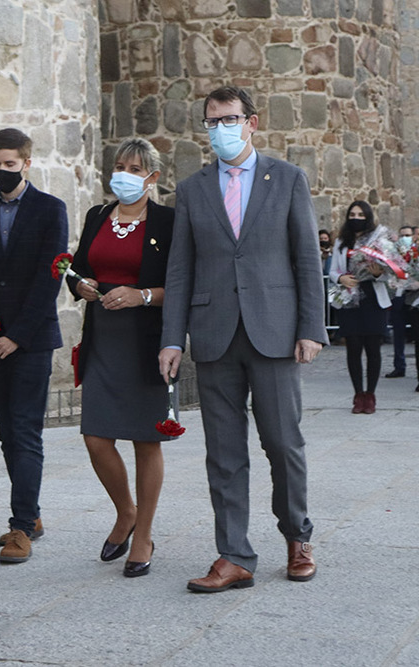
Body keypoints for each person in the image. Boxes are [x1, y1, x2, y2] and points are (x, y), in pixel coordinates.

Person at [159, 86, 327, 593]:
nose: (219, 130)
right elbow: (181, 269)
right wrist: (172, 338)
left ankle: (297, 537)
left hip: (275, 331)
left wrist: (311, 328)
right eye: (211, 122)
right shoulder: (192, 190)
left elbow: (306, 258)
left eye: (228, 120)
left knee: (283, 443)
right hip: (214, 335)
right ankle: (233, 555)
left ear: (251, 122)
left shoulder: (288, 179)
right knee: (224, 452)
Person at [67, 138, 174, 578]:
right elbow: (75, 269)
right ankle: (125, 511)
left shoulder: (169, 222)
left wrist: (142, 295)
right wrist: (81, 286)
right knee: (96, 436)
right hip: (103, 337)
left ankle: (143, 534)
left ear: (152, 176)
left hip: (146, 339)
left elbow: (183, 285)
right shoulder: (97, 215)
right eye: (120, 166)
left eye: (135, 168)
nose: (124, 174)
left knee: (145, 440)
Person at [0, 128, 68, 564]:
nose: (1, 171)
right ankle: (33, 514)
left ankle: (20, 526)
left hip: (31, 340)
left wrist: (16, 335)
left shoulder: (50, 210)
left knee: (25, 431)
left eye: (10, 164)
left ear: (27, 162)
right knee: (7, 432)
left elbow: (51, 278)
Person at [329, 202, 394, 412]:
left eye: (360, 214)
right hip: (350, 296)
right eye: (352, 214)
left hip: (373, 298)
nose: (356, 217)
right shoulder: (342, 241)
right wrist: (341, 278)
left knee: (373, 348)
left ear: (367, 216)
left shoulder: (379, 239)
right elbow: (333, 270)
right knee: (354, 348)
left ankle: (371, 395)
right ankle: (358, 394)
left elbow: (388, 270)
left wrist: (377, 273)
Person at [386, 225, 415, 379]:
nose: (405, 238)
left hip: (413, 297)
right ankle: (399, 366)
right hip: (398, 295)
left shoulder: (415, 253)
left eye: (408, 235)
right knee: (398, 334)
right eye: (402, 235)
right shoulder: (393, 254)